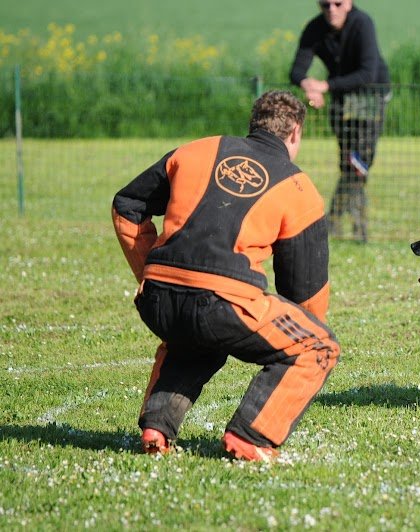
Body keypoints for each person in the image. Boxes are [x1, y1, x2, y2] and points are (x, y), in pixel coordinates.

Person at [112, 90, 340, 462]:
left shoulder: (195, 151)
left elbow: (128, 205)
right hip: (224, 304)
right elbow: (306, 293)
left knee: (197, 338)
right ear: (296, 132)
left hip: (157, 301)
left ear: (253, 124)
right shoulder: (299, 188)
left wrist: (148, 272)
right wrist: (304, 328)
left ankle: (157, 426)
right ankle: (252, 436)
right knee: (320, 345)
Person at [290, 0, 391, 243]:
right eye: (325, 4)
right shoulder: (315, 28)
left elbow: (367, 72)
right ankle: (350, 228)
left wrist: (324, 86)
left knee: (360, 162)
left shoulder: (362, 24)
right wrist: (309, 86)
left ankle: (340, 223)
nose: (331, 9)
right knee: (348, 163)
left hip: (370, 95)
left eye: (337, 3)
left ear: (349, 3)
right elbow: (296, 71)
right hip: (340, 98)